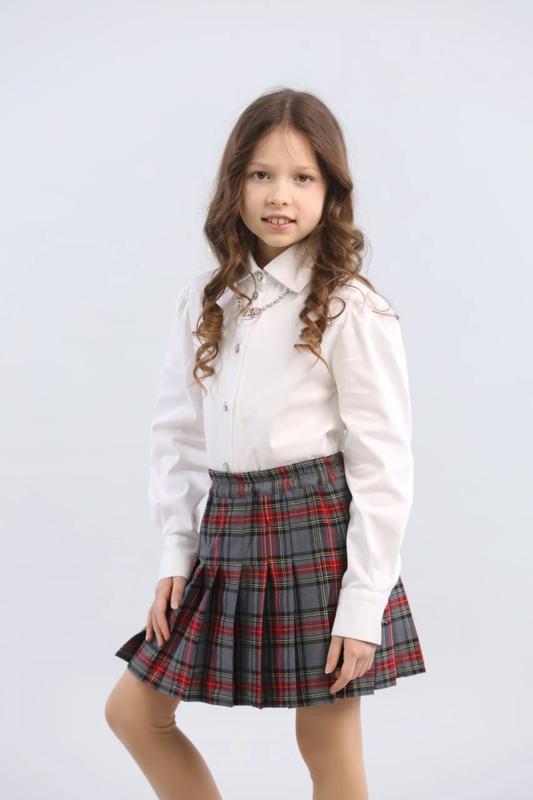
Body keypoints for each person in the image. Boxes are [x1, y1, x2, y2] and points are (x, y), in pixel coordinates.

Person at [104, 87, 427, 800]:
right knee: (133, 713)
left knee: (325, 740)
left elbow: (383, 465)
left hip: (316, 529)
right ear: (235, 185)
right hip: (225, 527)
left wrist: (362, 605)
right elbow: (178, 433)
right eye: (261, 174)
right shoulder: (206, 299)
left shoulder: (351, 305)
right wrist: (176, 552)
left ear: (330, 191)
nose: (280, 195)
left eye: (302, 177)